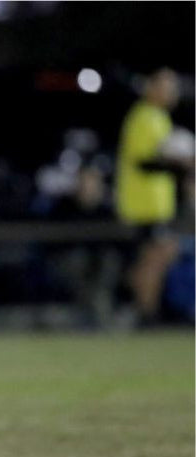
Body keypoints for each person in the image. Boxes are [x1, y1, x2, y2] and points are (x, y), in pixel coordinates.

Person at [115, 67, 194, 325]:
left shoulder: (159, 117)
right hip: (143, 205)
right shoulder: (144, 117)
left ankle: (134, 306)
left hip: (157, 205)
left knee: (157, 256)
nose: (173, 93)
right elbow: (143, 161)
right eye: (166, 87)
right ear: (152, 88)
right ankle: (143, 313)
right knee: (155, 257)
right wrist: (179, 162)